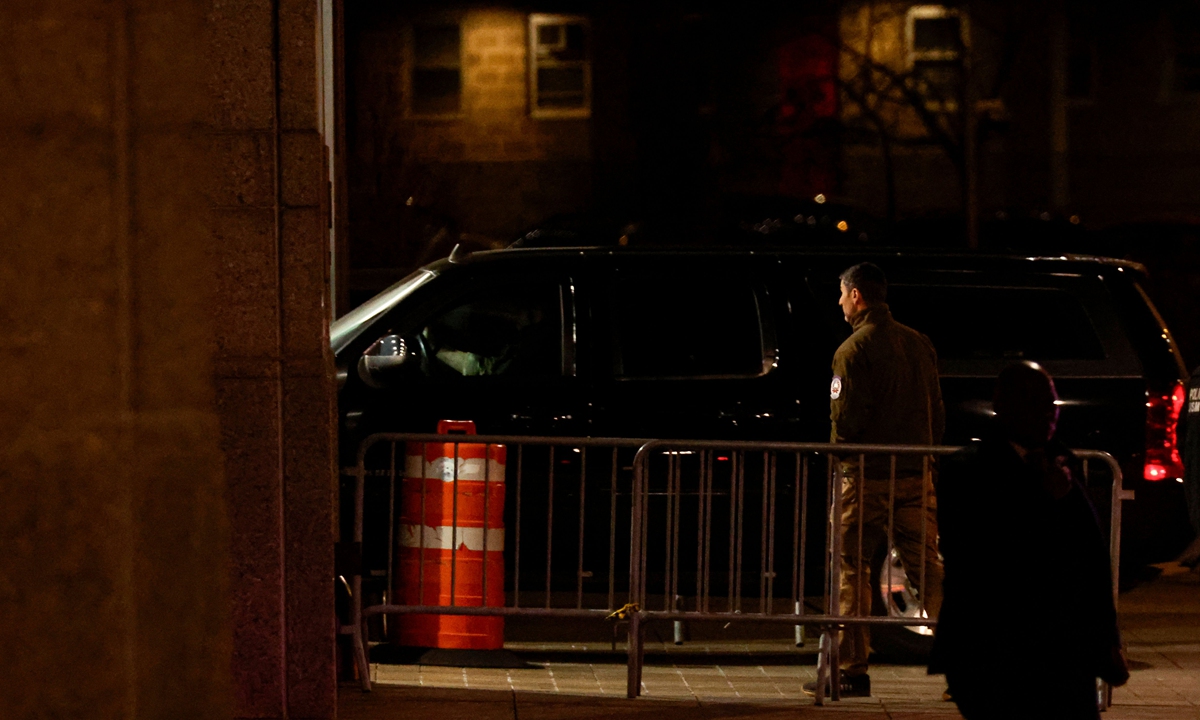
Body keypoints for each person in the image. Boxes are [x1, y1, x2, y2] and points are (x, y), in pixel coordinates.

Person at [930, 361, 1129, 719]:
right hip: (994, 650)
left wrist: (1106, 637)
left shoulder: (1060, 461)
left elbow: (1090, 556)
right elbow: (982, 555)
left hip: (1061, 651)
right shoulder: (969, 470)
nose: (1049, 415)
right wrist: (1045, 499)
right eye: (1036, 403)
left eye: (1051, 404)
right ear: (1003, 406)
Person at [806, 262, 945, 698]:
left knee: (851, 570)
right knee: (929, 572)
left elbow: (845, 420)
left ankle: (852, 670)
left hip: (864, 478)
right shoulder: (919, 343)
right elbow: (936, 413)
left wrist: (841, 457)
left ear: (857, 296)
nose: (840, 301)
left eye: (842, 294)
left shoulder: (853, 350)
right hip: (914, 474)